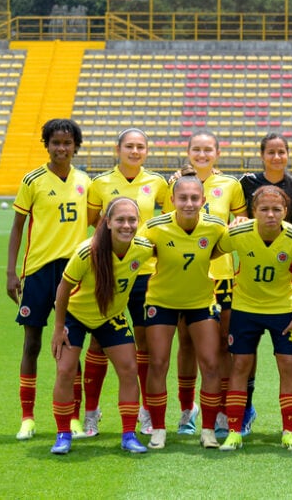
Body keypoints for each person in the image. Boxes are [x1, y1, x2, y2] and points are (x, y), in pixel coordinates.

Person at [47, 197, 154, 455]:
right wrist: (59, 327)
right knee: (65, 370)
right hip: (76, 316)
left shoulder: (143, 248)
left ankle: (128, 434)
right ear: (107, 222)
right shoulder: (88, 251)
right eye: (120, 220)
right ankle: (63, 434)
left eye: (132, 220)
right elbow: (63, 288)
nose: (126, 225)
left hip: (111, 317)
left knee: (129, 368)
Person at [7, 118, 90, 441]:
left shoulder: (85, 180)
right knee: (33, 343)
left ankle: (72, 418)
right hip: (39, 271)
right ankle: (27, 417)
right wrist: (12, 272)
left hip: (74, 272)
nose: (61, 148)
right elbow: (17, 227)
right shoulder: (33, 180)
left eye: (67, 143)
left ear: (75, 146)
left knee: (71, 344)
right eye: (55, 142)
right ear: (47, 144)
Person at [214, 186, 292, 452]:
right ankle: (234, 431)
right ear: (253, 211)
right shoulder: (237, 232)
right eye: (264, 209)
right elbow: (212, 252)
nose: (271, 215)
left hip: (283, 310)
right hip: (245, 307)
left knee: (288, 365)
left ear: (286, 211)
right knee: (240, 366)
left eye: (277, 209)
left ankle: (289, 432)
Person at [84, 128, 169, 437]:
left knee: (144, 342)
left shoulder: (158, 183)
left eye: (140, 147)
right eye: (129, 146)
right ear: (117, 148)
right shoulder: (100, 184)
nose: (135, 151)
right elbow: (93, 224)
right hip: (109, 272)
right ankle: (91, 413)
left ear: (147, 151)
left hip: (145, 272)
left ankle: (146, 412)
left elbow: (166, 222)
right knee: (98, 340)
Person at [140, 176, 230, 449]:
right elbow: (133, 250)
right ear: (172, 200)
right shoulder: (155, 227)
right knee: (158, 363)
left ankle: (207, 430)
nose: (189, 203)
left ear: (203, 201)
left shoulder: (215, 227)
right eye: (183, 198)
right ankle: (157, 428)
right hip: (161, 301)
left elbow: (224, 248)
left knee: (211, 364)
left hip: (201, 302)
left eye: (194, 198)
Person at [169, 131, 247, 438]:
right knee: (186, 343)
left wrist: (238, 224)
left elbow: (241, 224)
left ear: (217, 152)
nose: (202, 154)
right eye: (196, 149)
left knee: (224, 342)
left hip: (222, 275)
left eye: (208, 149)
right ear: (188, 152)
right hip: (185, 276)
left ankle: (221, 411)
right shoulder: (174, 184)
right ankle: (187, 410)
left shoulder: (231, 185)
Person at [240, 133, 292, 225]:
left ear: (288, 154)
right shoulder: (247, 181)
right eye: (271, 152)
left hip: (288, 239)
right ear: (262, 155)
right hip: (252, 239)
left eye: (281, 152)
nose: (276, 157)